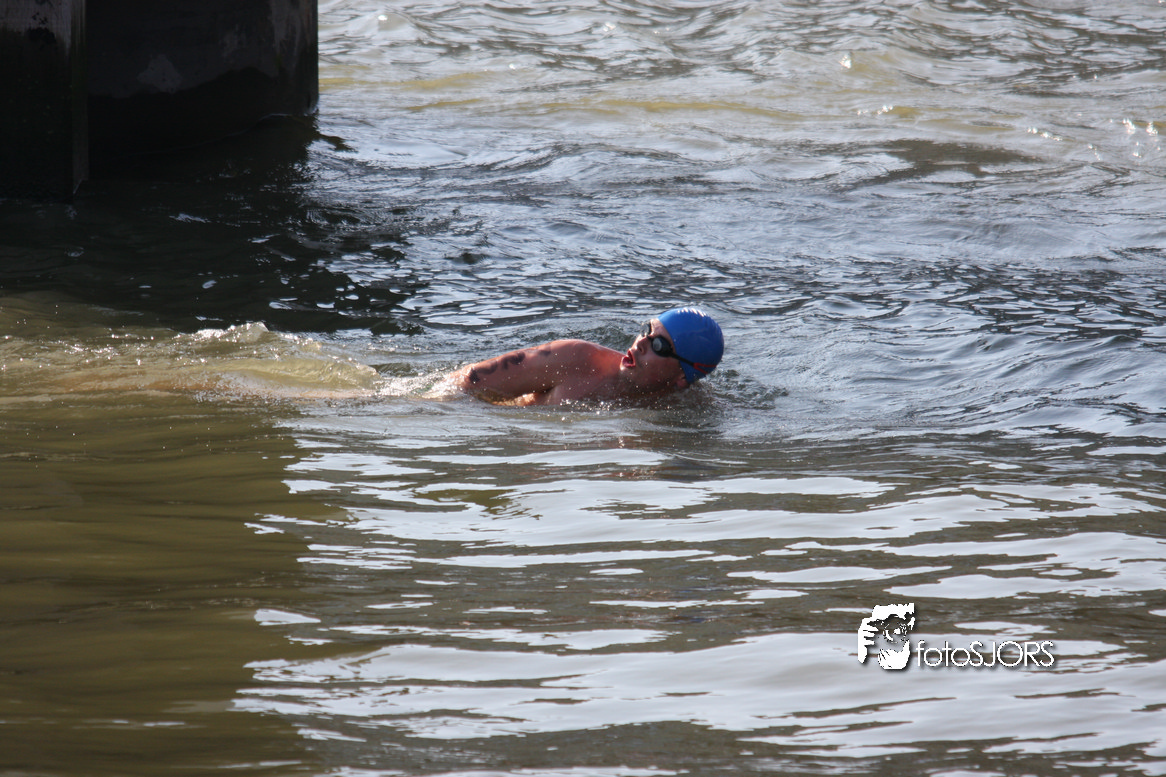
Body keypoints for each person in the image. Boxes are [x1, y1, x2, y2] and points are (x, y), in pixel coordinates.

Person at [447, 307, 724, 406]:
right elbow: (467, 383)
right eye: (646, 330)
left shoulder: (687, 407)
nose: (641, 343)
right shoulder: (574, 359)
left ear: (681, 378)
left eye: (659, 345)